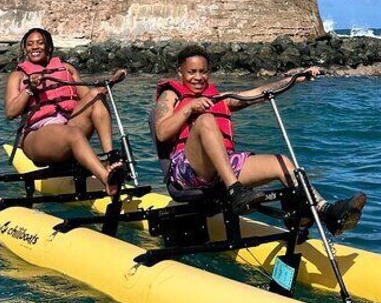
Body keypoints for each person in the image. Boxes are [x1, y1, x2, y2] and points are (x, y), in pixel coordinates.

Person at [153, 44, 366, 235]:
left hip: (223, 168)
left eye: (203, 71)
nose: (198, 77)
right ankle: (236, 191)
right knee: (206, 120)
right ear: (180, 72)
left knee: (281, 163)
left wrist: (296, 79)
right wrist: (190, 107)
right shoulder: (171, 95)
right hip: (187, 169)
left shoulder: (220, 99)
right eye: (191, 72)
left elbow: (261, 92)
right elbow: (161, 132)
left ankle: (325, 211)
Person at [4, 27, 124, 195]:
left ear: (49, 47)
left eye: (40, 43)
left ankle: (110, 157)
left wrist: (111, 82)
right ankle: (107, 179)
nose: (35, 47)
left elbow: (88, 96)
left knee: (96, 95)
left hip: (68, 125)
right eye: (30, 44)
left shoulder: (67, 69)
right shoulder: (17, 76)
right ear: (25, 49)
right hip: (37, 136)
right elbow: (10, 112)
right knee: (72, 133)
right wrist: (30, 88)